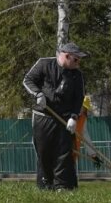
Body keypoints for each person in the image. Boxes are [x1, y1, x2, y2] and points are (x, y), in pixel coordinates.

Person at [23, 42, 86, 190]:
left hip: (65, 119)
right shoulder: (44, 64)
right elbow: (28, 80)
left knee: (64, 153)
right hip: (43, 116)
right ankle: (46, 186)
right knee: (44, 152)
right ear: (66, 56)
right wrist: (38, 94)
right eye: (76, 59)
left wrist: (74, 117)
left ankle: (64, 187)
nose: (78, 63)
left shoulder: (77, 75)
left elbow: (79, 98)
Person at [72, 95, 102, 170]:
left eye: (85, 108)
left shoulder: (82, 119)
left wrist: (93, 155)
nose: (84, 110)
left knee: (70, 174)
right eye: (83, 107)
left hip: (74, 150)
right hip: (64, 149)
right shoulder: (69, 116)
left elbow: (85, 136)